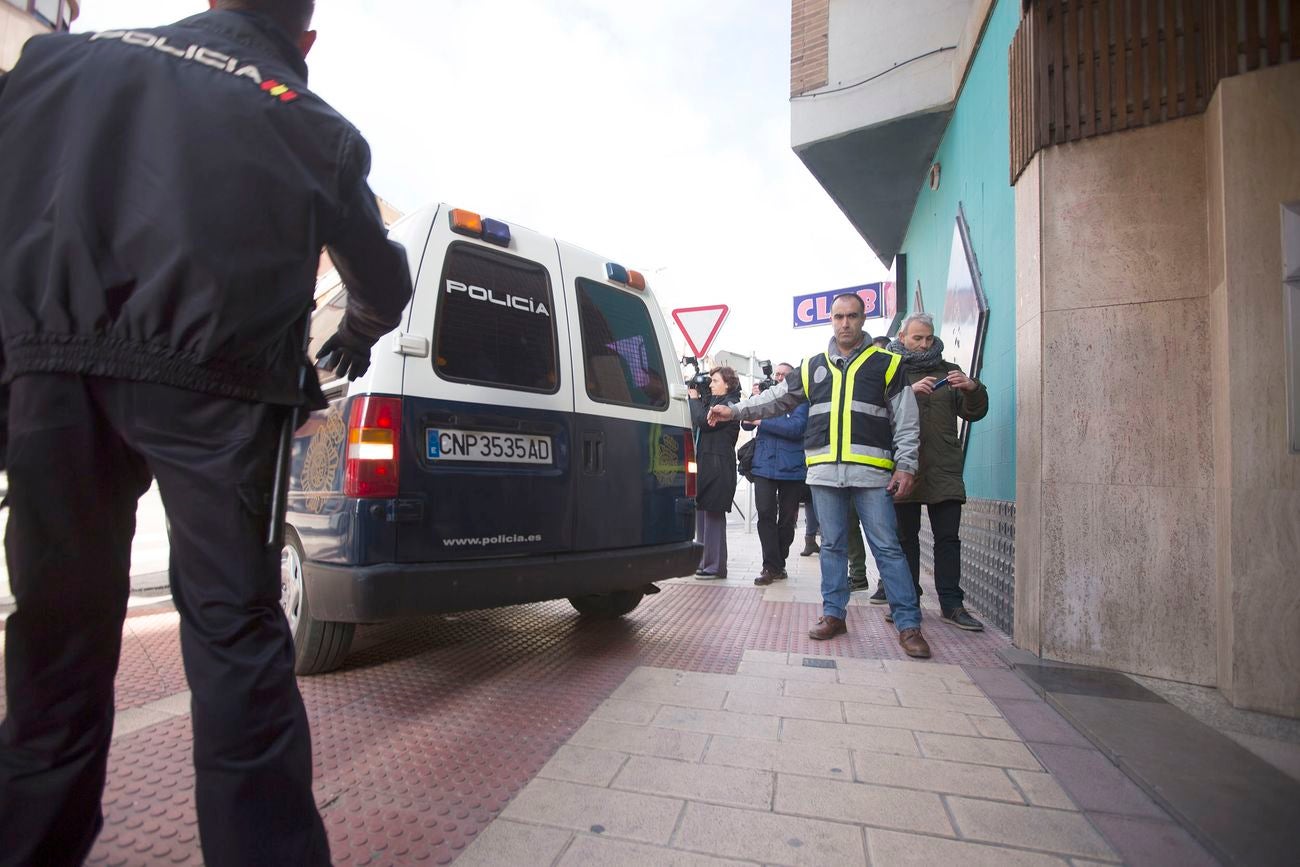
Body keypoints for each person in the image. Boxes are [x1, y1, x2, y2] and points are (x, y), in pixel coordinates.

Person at [0, 2, 413, 865]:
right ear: (305, 41)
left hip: (50, 372)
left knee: (55, 632)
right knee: (234, 638)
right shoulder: (311, 123)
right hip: (219, 388)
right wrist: (353, 335)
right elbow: (382, 278)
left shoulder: (56, 64)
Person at [708, 295, 932, 658]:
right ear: (831, 320)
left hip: (872, 471)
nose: (845, 323)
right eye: (839, 317)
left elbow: (907, 420)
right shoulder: (813, 365)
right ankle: (833, 614)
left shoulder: (888, 365)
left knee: (887, 548)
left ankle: (909, 625)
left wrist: (906, 465)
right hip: (825, 472)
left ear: (863, 319)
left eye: (853, 317)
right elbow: (777, 398)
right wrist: (733, 410)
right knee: (831, 546)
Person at [875, 313, 989, 631]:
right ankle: (907, 602)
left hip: (944, 468)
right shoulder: (889, 370)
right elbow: (874, 413)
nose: (924, 344)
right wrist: (909, 392)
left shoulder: (948, 370)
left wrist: (972, 388)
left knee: (948, 539)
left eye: (928, 338)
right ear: (902, 336)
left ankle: (952, 604)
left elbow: (974, 412)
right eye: (917, 338)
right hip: (905, 467)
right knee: (905, 540)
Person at [743, 363, 808, 586]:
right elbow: (746, 424)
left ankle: (778, 562)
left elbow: (796, 428)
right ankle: (770, 566)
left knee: (787, 521)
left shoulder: (801, 400)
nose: (779, 377)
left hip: (792, 468)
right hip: (764, 464)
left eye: (784, 375)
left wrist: (763, 419)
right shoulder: (765, 397)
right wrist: (754, 401)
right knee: (765, 514)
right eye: (777, 374)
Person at [689, 367, 741, 579]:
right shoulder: (712, 401)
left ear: (727, 384)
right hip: (705, 462)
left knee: (713, 514)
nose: (710, 384)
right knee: (702, 511)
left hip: (719, 465)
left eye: (715, 381)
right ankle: (704, 561)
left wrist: (693, 400)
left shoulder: (730, 405)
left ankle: (715, 565)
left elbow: (704, 422)